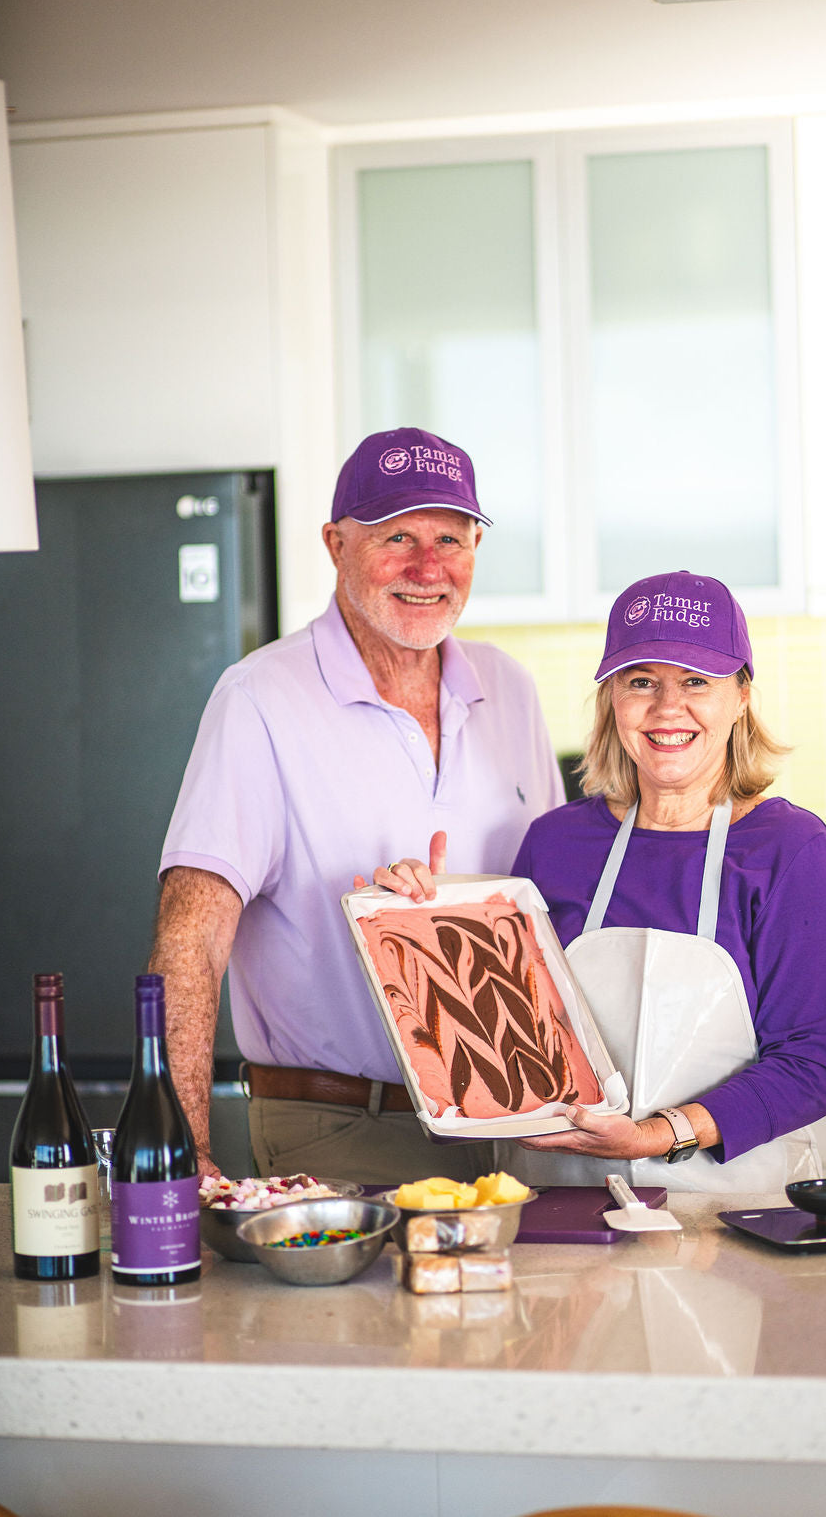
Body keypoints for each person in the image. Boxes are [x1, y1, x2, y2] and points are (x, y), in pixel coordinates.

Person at [149, 427, 564, 1186]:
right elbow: (191, 938)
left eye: (450, 537)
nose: (427, 566)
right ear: (335, 544)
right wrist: (186, 1155)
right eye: (396, 536)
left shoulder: (511, 690)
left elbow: (551, 919)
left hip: (518, 1132)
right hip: (342, 1128)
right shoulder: (260, 698)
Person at [380, 569, 826, 1192]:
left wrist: (655, 1136)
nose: (667, 708)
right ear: (612, 697)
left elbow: (809, 1066)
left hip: (731, 1221)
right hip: (558, 1205)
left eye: (696, 681)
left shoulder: (794, 853)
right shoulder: (555, 844)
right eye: (642, 682)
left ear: (741, 695)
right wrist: (429, 927)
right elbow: (506, 1039)